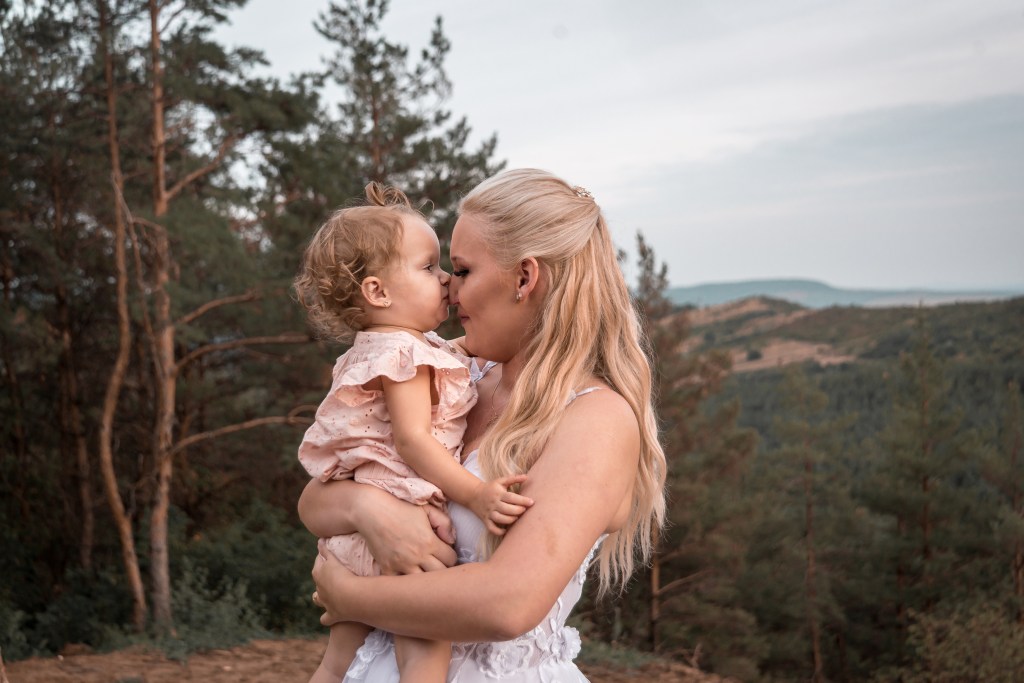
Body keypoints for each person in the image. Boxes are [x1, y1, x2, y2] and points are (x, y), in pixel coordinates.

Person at [300, 168, 667, 681]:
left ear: (524, 278)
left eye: (463, 271)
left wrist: (351, 597)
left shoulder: (594, 417)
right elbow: (314, 499)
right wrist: (369, 509)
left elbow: (508, 604)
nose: (450, 290)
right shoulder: (449, 373)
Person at [293, 183, 535, 683]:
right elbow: (413, 440)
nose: (446, 280)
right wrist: (477, 495)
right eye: (429, 268)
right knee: (424, 661)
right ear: (378, 292)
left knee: (337, 663)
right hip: (406, 530)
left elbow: (456, 352)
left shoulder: (379, 348)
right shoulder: (404, 355)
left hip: (358, 540)